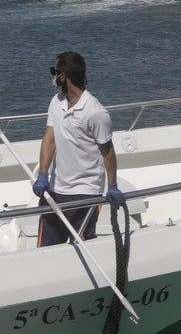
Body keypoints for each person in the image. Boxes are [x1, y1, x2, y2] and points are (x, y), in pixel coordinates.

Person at [33, 51, 124, 246]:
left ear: (63, 76)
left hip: (85, 192)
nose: (53, 77)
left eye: (54, 72)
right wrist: (43, 175)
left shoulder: (96, 112)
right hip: (56, 191)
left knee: (82, 248)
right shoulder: (56, 102)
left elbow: (107, 152)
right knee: (45, 250)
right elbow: (49, 140)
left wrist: (113, 186)